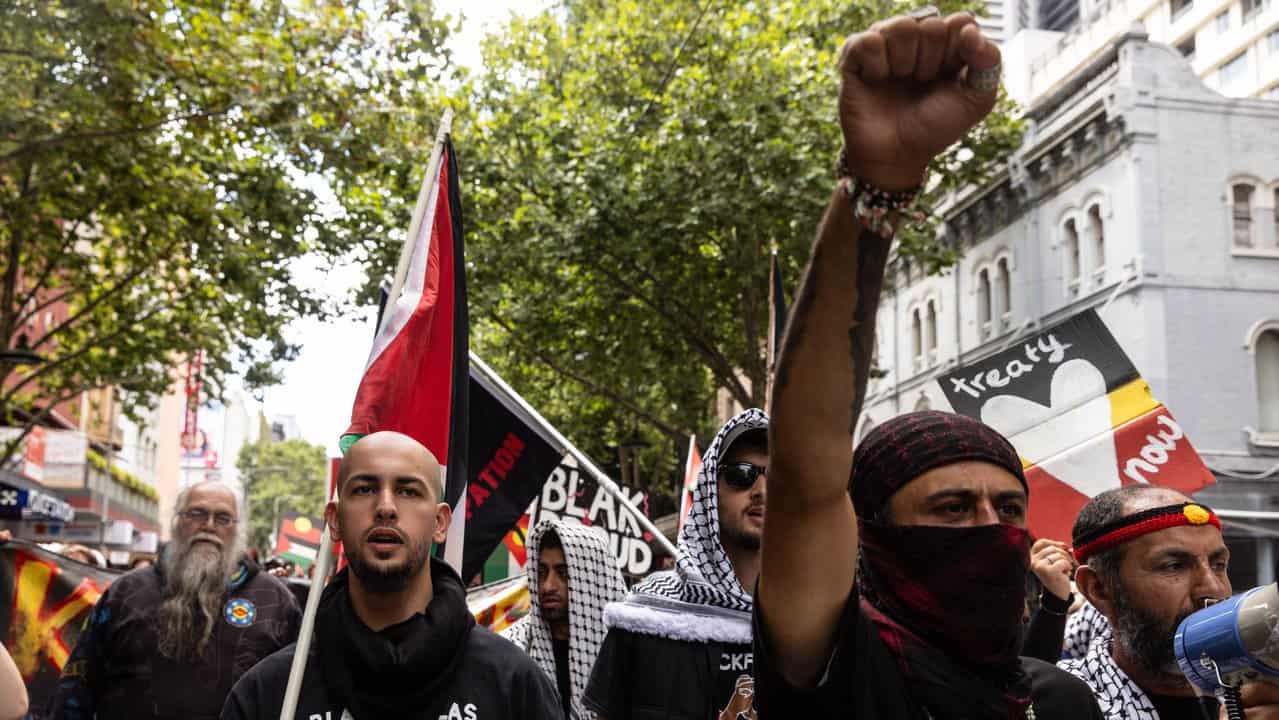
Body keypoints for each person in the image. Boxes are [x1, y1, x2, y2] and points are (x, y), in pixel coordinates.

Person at [754, 10, 1104, 717]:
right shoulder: (840, 660)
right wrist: (875, 189)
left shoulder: (1062, 701)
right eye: (950, 509)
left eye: (1008, 508)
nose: (990, 528)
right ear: (870, 529)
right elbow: (804, 471)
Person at [221, 431, 562, 720]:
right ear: (335, 520)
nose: (385, 506)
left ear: (441, 522)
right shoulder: (269, 694)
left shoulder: (513, 685)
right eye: (365, 489)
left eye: (408, 491)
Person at [48, 481, 301, 720]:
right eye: (197, 514)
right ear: (177, 521)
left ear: (238, 529)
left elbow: (300, 693)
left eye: (222, 518)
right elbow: (77, 687)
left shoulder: (276, 602)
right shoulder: (125, 593)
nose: (209, 525)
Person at [585, 409, 767, 720]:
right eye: (742, 474)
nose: (762, 491)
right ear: (711, 488)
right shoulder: (646, 617)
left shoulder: (809, 626)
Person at [1063, 485, 1279, 719]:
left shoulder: (1262, 690)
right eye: (1173, 566)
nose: (1213, 589)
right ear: (1099, 589)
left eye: (1218, 565)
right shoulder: (1055, 701)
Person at [505, 520, 627, 719]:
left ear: (591, 579)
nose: (547, 586)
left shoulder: (625, 656)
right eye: (542, 572)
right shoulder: (513, 646)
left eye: (562, 573)